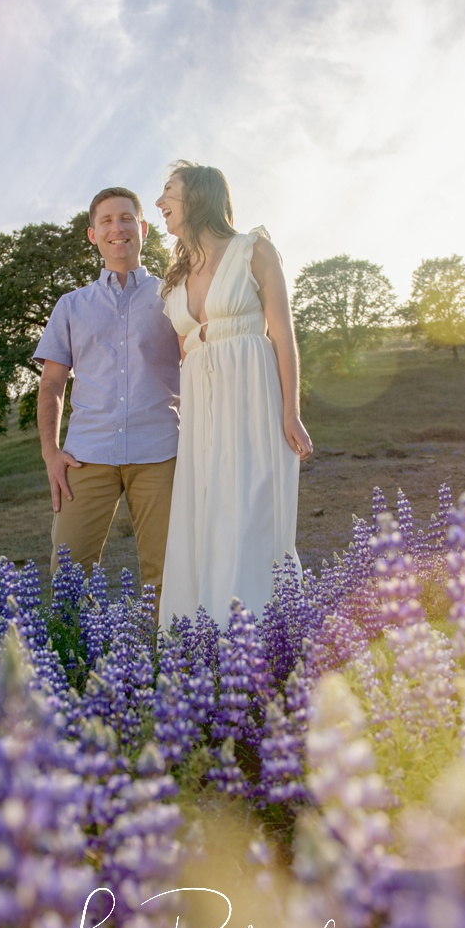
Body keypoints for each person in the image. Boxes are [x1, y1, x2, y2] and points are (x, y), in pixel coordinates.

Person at [154, 161, 312, 630]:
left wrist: (291, 411)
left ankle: (263, 639)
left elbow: (283, 335)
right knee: (205, 517)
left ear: (198, 196)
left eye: (168, 192)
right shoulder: (177, 279)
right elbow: (185, 352)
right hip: (201, 412)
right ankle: (203, 643)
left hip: (252, 399)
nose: (161, 203)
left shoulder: (253, 251)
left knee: (249, 515)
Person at [32, 186, 183, 597]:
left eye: (126, 218)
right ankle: (77, 663)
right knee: (68, 578)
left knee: (167, 576)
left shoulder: (173, 296)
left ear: (144, 228)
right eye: (106, 221)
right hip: (86, 456)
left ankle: (168, 659)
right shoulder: (71, 305)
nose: (118, 228)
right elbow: (52, 384)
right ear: (93, 235)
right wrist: (50, 453)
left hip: (161, 452)